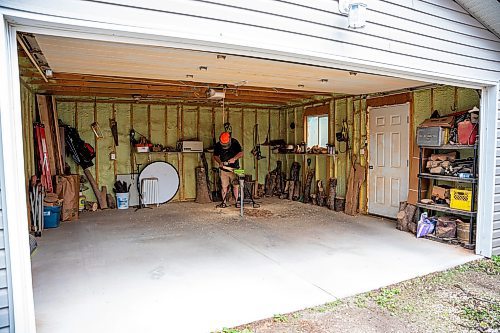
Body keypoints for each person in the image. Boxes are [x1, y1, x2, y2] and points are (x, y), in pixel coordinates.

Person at [213, 132, 243, 206]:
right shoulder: (217, 145)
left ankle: (237, 202)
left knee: (236, 185)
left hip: (235, 168)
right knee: (224, 186)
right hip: (224, 169)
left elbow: (241, 153)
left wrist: (234, 158)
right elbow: (215, 156)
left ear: (229, 139)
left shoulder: (235, 142)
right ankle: (224, 202)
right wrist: (220, 162)